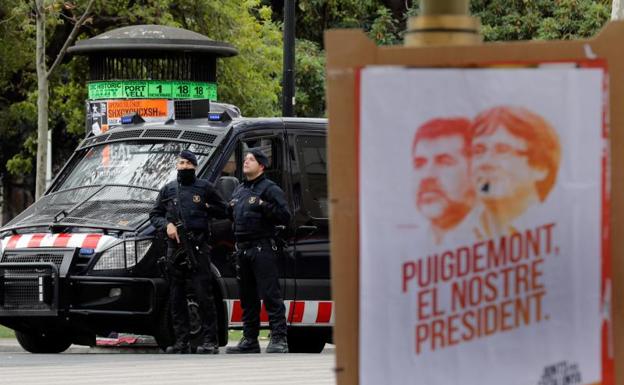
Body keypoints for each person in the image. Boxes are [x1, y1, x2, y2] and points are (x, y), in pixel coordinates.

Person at [149, 150, 228, 354]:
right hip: (175, 249)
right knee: (176, 296)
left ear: (194, 166)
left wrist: (206, 208)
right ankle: (181, 341)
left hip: (197, 248)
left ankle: (210, 341)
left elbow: (224, 209)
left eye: (187, 163)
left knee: (203, 295)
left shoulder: (204, 188)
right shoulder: (168, 189)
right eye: (181, 163)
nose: (183, 166)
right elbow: (154, 214)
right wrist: (166, 225)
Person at [225, 148, 292, 354]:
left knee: (270, 293)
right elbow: (233, 215)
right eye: (245, 159)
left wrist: (263, 205)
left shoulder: (270, 189)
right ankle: (250, 339)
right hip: (242, 249)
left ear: (261, 165)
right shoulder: (239, 189)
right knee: (247, 297)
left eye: (251, 159)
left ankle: (279, 338)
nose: (245, 162)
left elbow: (285, 215)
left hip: (262, 247)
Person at [470, 106, 561, 237]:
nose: (486, 162)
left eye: (502, 150)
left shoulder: (561, 232)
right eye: (478, 151)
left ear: (540, 168)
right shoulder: (456, 235)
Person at [411, 117, 475, 245]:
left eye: (444, 162)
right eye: (419, 164)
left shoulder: (498, 239)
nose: (427, 175)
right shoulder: (408, 244)